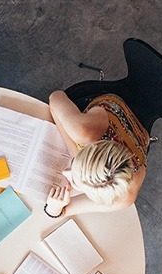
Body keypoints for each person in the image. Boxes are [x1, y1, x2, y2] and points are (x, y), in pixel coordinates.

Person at [44, 90, 151, 218]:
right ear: (89, 148)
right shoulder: (83, 131)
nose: (64, 172)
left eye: (75, 183)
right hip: (111, 106)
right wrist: (75, 153)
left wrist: (53, 209)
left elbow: (64, 211)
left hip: (139, 136)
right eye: (74, 164)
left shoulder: (124, 197)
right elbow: (56, 96)